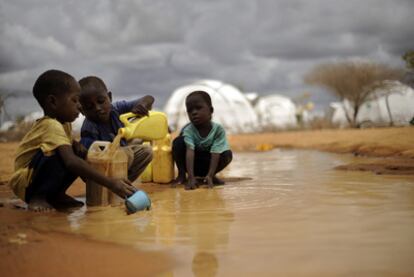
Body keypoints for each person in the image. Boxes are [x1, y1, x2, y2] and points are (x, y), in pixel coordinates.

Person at [9, 70, 137, 212]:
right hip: (26, 182)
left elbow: (72, 151)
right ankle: (38, 197)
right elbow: (71, 162)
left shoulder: (64, 124)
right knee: (66, 157)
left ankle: (56, 195)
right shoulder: (50, 125)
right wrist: (111, 184)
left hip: (34, 177)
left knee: (78, 151)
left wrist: (78, 147)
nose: (79, 106)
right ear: (53, 102)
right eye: (75, 100)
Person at [78, 76, 153, 182]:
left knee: (147, 151)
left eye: (101, 101)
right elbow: (90, 159)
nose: (98, 108)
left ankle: (123, 183)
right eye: (90, 107)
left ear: (109, 97)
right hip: (101, 170)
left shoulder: (116, 109)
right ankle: (113, 186)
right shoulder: (89, 128)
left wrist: (143, 105)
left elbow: (149, 98)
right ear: (82, 111)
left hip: (119, 160)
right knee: (126, 154)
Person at [172, 91, 232, 190]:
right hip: (193, 164)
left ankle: (210, 176)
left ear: (211, 110)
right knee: (178, 142)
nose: (194, 112)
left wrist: (210, 174)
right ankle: (182, 175)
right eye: (190, 110)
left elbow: (215, 152)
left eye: (198, 108)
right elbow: (190, 151)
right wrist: (191, 177)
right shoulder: (189, 131)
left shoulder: (218, 130)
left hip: (209, 163)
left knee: (227, 154)